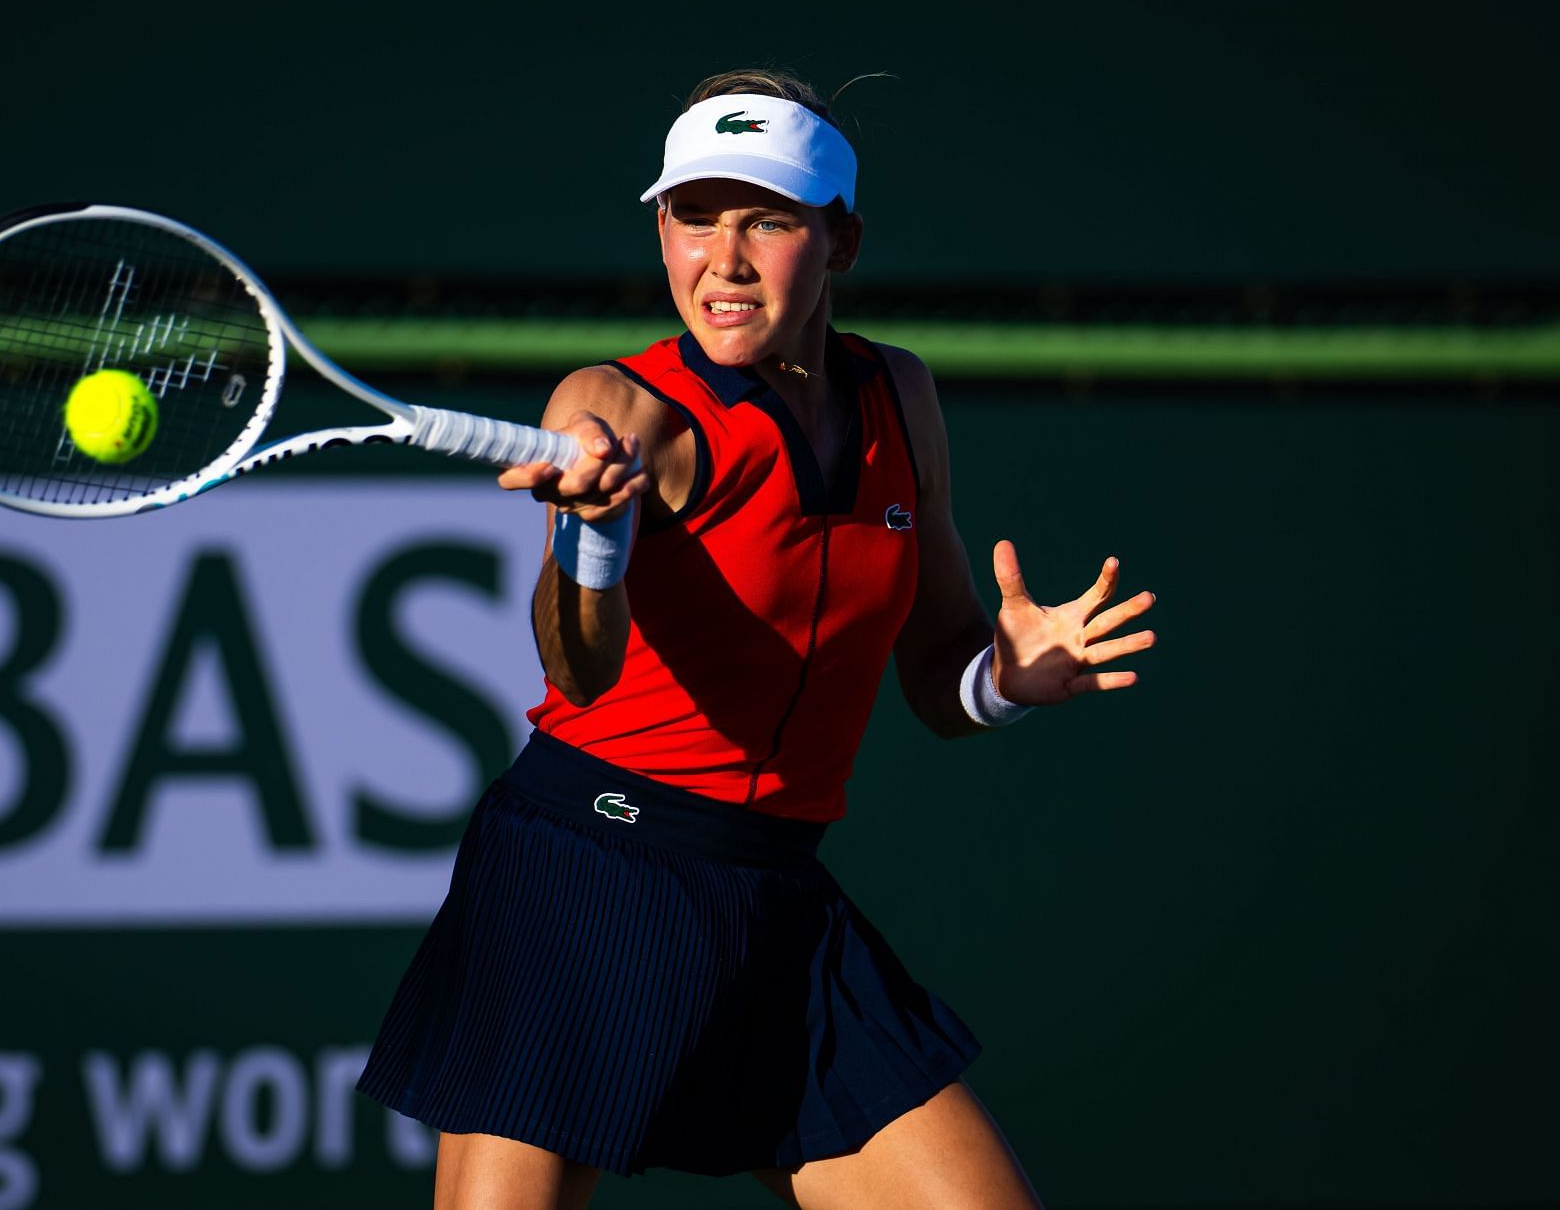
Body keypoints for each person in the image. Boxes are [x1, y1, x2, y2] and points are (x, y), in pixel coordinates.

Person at [358, 69, 1156, 1210]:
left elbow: (938, 675)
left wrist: (1005, 682)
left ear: (841, 241)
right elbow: (575, 669)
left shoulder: (899, 397)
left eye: (768, 221)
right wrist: (592, 542)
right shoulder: (618, 404)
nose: (722, 260)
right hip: (588, 875)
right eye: (693, 216)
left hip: (776, 895)